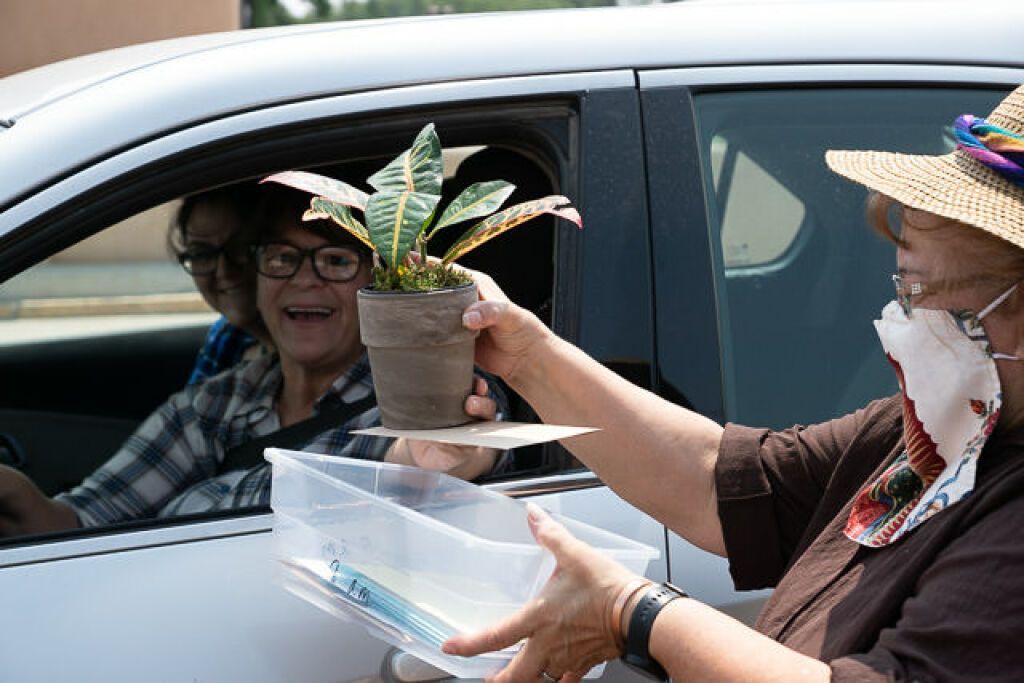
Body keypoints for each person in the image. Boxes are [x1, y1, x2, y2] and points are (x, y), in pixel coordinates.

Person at [442, 85, 1024, 681]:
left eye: (918, 289)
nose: (900, 312)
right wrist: (527, 357)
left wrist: (634, 613)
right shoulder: (934, 433)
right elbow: (721, 482)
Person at [0, 186, 502, 535]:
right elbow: (83, 521)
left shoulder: (414, 395)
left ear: (377, 285)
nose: (305, 279)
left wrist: (441, 453)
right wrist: (19, 499)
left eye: (335, 260)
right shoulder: (215, 404)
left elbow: (448, 451)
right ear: (257, 279)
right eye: (282, 258)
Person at [168, 182, 272, 384]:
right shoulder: (226, 338)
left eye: (241, 247)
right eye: (202, 253)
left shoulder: (314, 349)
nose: (225, 271)